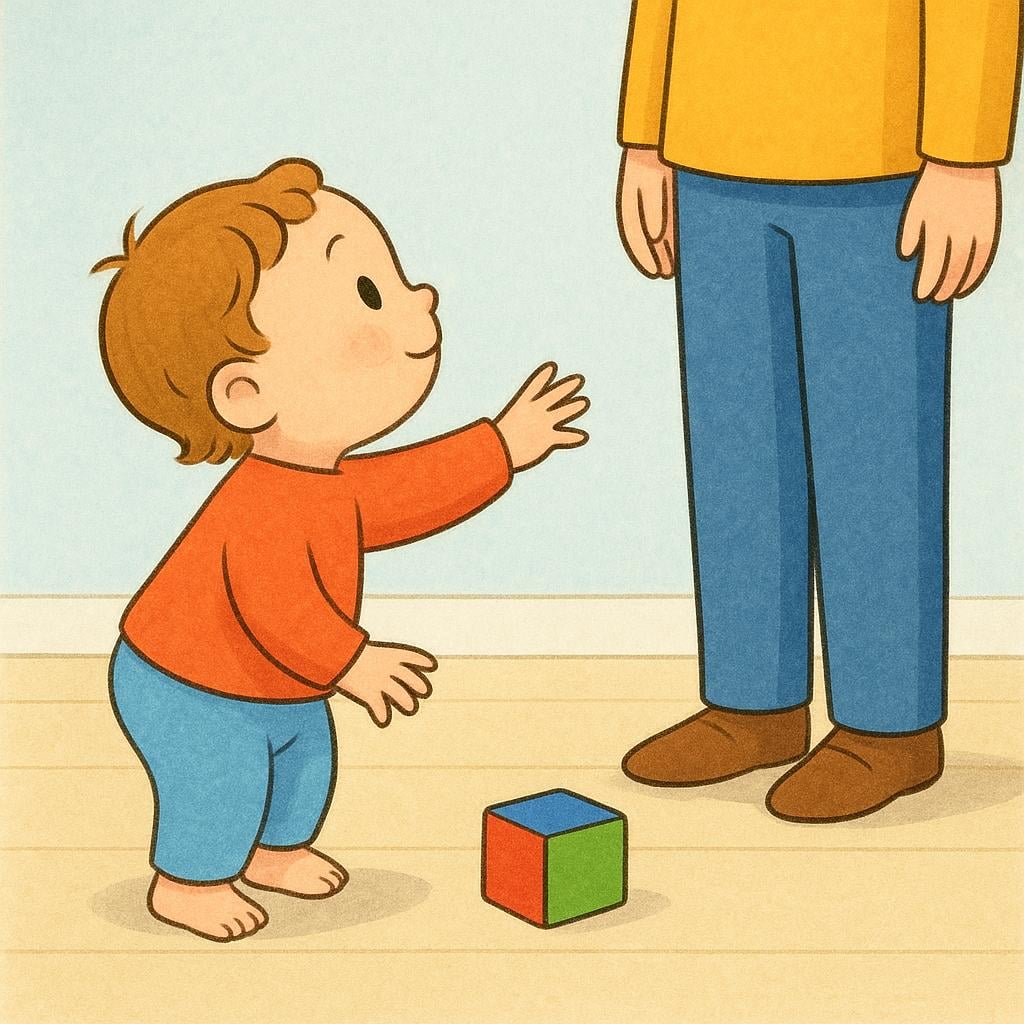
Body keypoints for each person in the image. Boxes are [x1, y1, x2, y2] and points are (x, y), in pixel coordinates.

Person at [93, 158, 589, 940]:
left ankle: (275, 851)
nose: (420, 301)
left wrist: (501, 445)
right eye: (370, 296)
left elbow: (402, 491)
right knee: (218, 781)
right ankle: (187, 885)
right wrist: (352, 661)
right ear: (246, 393)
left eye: (395, 282)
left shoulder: (325, 482)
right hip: (187, 683)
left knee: (303, 765)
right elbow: (276, 607)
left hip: (281, 684)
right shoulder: (261, 505)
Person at [616, 1, 1021, 821]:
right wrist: (645, 131)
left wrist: (965, 155)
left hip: (873, 150)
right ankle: (750, 704)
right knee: (738, 447)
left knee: (871, 453)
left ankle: (889, 725)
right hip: (707, 142)